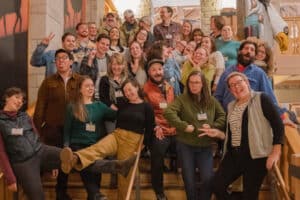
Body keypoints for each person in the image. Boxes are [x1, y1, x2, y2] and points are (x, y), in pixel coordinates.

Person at [0, 87, 131, 200]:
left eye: (22, 100)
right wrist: (10, 177)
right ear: (6, 98)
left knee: (78, 159)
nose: (19, 102)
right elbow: (1, 152)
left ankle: (118, 166)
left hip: (41, 151)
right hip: (23, 162)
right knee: (37, 196)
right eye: (16, 98)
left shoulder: (24, 116)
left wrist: (52, 163)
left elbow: (36, 136)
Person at [60, 78, 155, 200]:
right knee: (98, 148)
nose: (128, 93)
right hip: (117, 135)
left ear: (137, 87)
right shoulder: (123, 104)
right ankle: (75, 158)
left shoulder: (146, 107)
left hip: (132, 141)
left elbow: (150, 128)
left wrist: (143, 146)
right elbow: (116, 117)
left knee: (124, 177)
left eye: (130, 89)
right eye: (125, 91)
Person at [211, 72, 284, 200]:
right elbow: (233, 132)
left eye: (239, 82)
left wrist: (275, 152)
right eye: (232, 85)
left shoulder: (262, 98)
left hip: (256, 157)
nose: (237, 86)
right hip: (233, 155)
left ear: (247, 83)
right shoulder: (231, 106)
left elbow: (277, 124)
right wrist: (219, 134)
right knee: (217, 185)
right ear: (230, 90)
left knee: (250, 195)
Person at [164, 70, 226, 200]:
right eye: (191, 82)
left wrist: (213, 126)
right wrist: (184, 126)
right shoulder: (181, 99)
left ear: (203, 84)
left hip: (205, 146)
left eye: (197, 82)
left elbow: (222, 116)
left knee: (208, 179)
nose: (194, 85)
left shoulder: (212, 100)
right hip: (186, 145)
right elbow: (169, 112)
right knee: (189, 180)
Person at [33, 48, 82, 199]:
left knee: (67, 161)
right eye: (58, 59)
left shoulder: (80, 80)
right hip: (53, 129)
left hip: (73, 129)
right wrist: (35, 131)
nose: (61, 61)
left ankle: (61, 193)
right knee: (52, 160)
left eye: (64, 58)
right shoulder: (48, 82)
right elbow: (40, 107)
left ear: (71, 62)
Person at [63, 76, 117, 200]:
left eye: (92, 85)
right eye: (87, 86)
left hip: (95, 147)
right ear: (80, 90)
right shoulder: (73, 107)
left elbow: (116, 115)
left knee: (96, 176)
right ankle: (97, 194)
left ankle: (94, 195)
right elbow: (67, 130)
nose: (90, 88)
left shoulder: (99, 106)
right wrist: (66, 147)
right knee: (86, 167)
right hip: (78, 146)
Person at [143, 59, 176, 200]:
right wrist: (156, 126)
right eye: (154, 70)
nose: (158, 72)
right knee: (157, 152)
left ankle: (174, 164)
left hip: (172, 128)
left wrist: (176, 125)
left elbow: (174, 109)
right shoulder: (145, 90)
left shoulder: (169, 87)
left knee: (186, 144)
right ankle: (158, 190)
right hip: (157, 128)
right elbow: (146, 113)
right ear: (149, 73)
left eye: (160, 69)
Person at [80, 33, 111, 100]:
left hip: (106, 98)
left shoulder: (110, 60)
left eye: (107, 45)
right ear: (97, 43)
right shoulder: (87, 58)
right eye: (102, 43)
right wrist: (90, 60)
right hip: (91, 97)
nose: (105, 46)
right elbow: (83, 77)